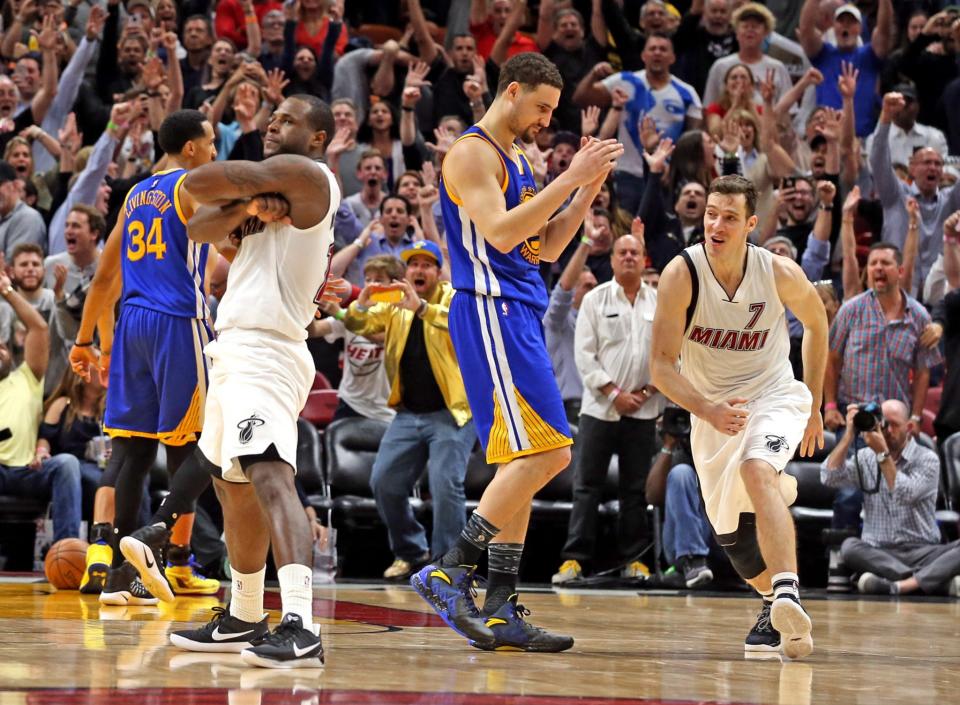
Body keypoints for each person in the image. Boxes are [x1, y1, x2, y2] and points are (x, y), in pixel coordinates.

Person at [411, 52, 623, 653]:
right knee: (553, 450)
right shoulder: (472, 153)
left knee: (524, 459)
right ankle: (451, 569)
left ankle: (501, 603)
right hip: (489, 307)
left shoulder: (522, 161)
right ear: (510, 93)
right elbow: (501, 232)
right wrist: (570, 176)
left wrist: (585, 193)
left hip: (518, 304)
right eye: (542, 107)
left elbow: (543, 246)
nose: (546, 120)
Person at [121, 93, 342, 669]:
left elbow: (201, 178)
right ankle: (244, 614)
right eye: (273, 118)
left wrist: (244, 194)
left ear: (318, 136)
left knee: (268, 473)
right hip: (233, 347)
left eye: (288, 120)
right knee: (232, 484)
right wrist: (248, 204)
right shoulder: (268, 191)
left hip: (269, 349)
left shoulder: (312, 177)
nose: (274, 124)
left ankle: (301, 623)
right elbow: (197, 223)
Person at [650, 175, 828, 659]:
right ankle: (774, 605)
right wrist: (707, 408)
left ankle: (787, 589)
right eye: (711, 213)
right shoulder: (680, 274)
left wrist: (814, 405)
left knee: (757, 469)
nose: (716, 224)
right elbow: (660, 367)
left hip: (772, 394)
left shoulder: (778, 271)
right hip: (711, 411)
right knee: (733, 538)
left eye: (729, 217)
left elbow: (816, 323)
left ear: (750, 224)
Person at [68, 110, 221, 604]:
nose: (216, 151)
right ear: (193, 148)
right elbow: (232, 249)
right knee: (189, 444)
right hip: (178, 323)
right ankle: (174, 563)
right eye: (212, 142)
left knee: (131, 448)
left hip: (132, 323)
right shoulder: (192, 186)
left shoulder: (135, 194)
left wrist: (84, 339)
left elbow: (105, 275)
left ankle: (115, 569)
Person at [342, 240, 475, 580]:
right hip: (408, 413)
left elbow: (461, 325)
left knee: (445, 484)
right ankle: (412, 553)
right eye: (412, 265)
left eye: (425, 264)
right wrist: (360, 303)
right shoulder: (396, 304)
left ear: (438, 271)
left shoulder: (455, 298)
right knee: (384, 482)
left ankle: (448, 567)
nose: (418, 270)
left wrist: (421, 309)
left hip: (452, 413)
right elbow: (360, 326)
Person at [552, 232, 662, 585]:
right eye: (622, 252)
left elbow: (670, 355)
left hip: (644, 409)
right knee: (587, 486)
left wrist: (644, 392)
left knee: (634, 489)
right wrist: (615, 393)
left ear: (643, 259)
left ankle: (634, 560)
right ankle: (574, 560)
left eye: (635, 252)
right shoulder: (595, 300)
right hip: (599, 408)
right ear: (612, 260)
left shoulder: (661, 302)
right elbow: (585, 356)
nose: (628, 257)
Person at [822, 401, 959, 597]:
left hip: (924, 551)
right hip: (879, 552)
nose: (886, 429)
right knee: (850, 547)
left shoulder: (927, 458)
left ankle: (901, 585)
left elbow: (904, 494)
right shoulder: (865, 457)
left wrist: (882, 456)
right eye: (882, 422)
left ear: (909, 427)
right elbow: (828, 477)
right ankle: (935, 583)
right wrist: (848, 435)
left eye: (894, 424)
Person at [0, 269, 82, 545]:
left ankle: (66, 549)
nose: (0, 350)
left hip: (29, 469)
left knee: (67, 464)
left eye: (3, 347)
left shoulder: (27, 376)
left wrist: (7, 292)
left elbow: (39, 328)